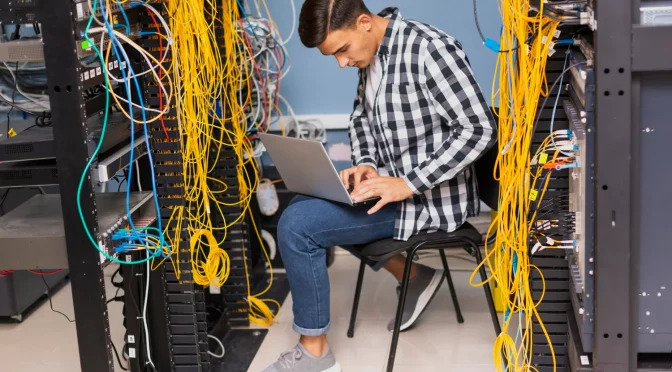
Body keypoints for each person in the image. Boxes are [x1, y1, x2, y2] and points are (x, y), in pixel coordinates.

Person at [263, 1, 496, 371]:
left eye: (342, 50)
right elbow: (361, 120)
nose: (341, 62)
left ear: (365, 22)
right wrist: (366, 164)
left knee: (297, 225)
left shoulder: (430, 49)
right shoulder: (373, 53)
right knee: (315, 202)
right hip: (391, 188)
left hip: (429, 199)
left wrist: (408, 183)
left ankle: (314, 353)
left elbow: (479, 128)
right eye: (333, 56)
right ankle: (414, 276)